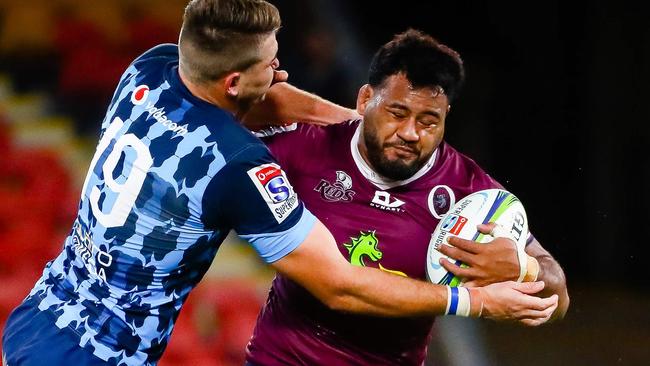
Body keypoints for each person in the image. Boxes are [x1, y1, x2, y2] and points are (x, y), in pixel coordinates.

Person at [1, 1, 558, 365]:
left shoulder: (151, 68)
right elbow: (339, 284)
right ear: (236, 80)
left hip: (39, 319)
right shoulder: (243, 165)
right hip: (103, 356)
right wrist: (476, 301)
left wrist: (374, 127)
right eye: (272, 62)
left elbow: (260, 98)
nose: (282, 70)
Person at [245, 29, 570, 365]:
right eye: (397, 114)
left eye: (429, 121)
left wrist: (527, 268)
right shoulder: (306, 147)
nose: (410, 133)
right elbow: (219, 104)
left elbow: (558, 299)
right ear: (364, 99)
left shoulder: (471, 192)